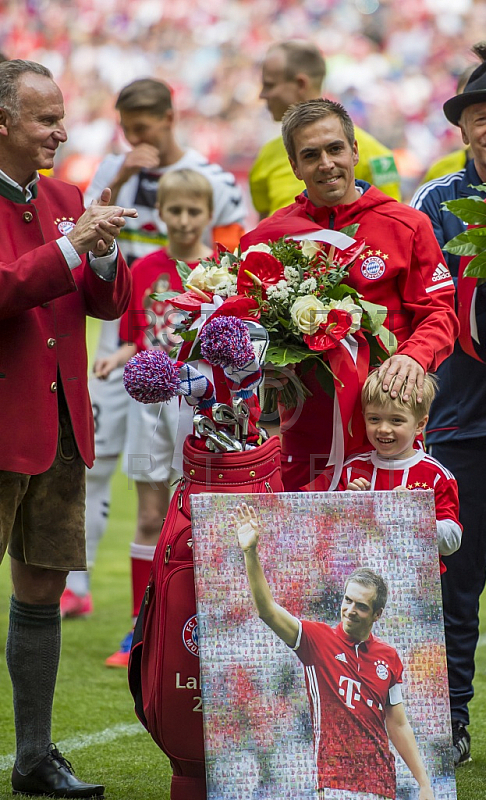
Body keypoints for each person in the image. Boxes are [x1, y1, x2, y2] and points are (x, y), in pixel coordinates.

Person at [61, 77, 246, 637]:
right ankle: (78, 586)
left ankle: (193, 611)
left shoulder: (212, 178)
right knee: (96, 461)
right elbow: (83, 231)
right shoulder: (115, 170)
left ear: (168, 119)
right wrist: (119, 174)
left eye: (142, 128)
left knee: (191, 483)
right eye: (125, 129)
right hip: (125, 336)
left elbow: (234, 250)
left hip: (184, 351)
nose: (133, 138)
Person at [0, 59, 134, 797]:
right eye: (45, 118)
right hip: (2, 424)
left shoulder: (66, 196)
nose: (61, 129)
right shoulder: (60, 214)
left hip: (61, 426)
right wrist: (73, 246)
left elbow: (105, 306)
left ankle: (33, 757)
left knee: (43, 588)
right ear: (3, 124)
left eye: (60, 116)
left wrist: (105, 254)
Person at [410, 38, 486, 765]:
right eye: (483, 116)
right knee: (454, 581)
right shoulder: (434, 203)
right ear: (462, 128)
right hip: (462, 416)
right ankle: (449, 721)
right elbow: (417, 304)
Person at [240, 97, 459, 492]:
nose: (326, 163)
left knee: (389, 549)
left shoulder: (407, 225)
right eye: (310, 155)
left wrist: (414, 356)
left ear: (355, 150)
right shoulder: (266, 239)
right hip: (304, 433)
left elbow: (440, 313)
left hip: (386, 428)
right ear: (294, 165)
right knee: (303, 549)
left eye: (335, 148)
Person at [94, 168, 214, 667]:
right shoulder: (143, 269)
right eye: (175, 210)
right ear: (160, 213)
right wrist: (117, 358)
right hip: (149, 406)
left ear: (210, 215)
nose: (184, 221)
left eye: (194, 211)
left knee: (201, 516)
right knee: (149, 515)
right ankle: (137, 630)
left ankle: (201, 622)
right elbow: (134, 336)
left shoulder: (220, 270)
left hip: (202, 406)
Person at [236, 505, 435, 800]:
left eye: (361, 606)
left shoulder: (389, 656)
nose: (350, 610)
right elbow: (267, 610)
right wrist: (250, 552)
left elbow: (398, 722)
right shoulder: (315, 639)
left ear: (377, 614)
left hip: (383, 783)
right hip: (335, 783)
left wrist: (423, 783)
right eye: (347, 600)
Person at [306, 370, 462, 570]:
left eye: (396, 420)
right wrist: (348, 506)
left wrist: (415, 515)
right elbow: (328, 532)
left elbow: (452, 541)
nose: (384, 429)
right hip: (358, 585)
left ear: (420, 425)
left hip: (414, 586)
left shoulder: (435, 475)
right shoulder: (351, 469)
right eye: (374, 419)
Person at [250, 40, 401, 220]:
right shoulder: (266, 156)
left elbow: (393, 223)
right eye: (309, 155)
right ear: (294, 164)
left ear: (301, 84)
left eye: (270, 85)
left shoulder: (378, 157)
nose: (262, 94)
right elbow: (264, 229)